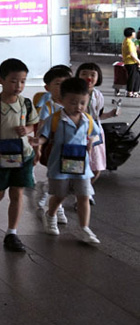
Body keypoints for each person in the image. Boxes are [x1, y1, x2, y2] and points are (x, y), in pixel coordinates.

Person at [0, 58, 39, 252]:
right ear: (1, 80)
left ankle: (12, 233)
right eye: (13, 80)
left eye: (22, 81)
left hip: (22, 156)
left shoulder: (26, 103)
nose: (18, 85)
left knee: (17, 193)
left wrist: (27, 131)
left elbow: (34, 124)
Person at [31, 77, 101, 244]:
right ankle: (51, 214)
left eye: (82, 103)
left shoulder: (88, 120)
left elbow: (94, 134)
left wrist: (91, 141)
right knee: (60, 194)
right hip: (59, 165)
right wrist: (38, 142)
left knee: (84, 195)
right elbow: (44, 136)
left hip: (81, 166)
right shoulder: (54, 119)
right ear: (62, 101)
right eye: (73, 102)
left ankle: (85, 228)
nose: (78, 107)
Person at [34, 65, 72, 211]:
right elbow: (42, 128)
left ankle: (44, 188)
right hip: (53, 146)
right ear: (47, 87)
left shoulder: (73, 104)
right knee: (58, 176)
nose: (62, 87)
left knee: (66, 178)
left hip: (70, 146)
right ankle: (57, 209)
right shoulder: (48, 106)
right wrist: (38, 149)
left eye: (65, 83)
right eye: (57, 83)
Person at [77, 62, 119, 188]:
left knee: (97, 167)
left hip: (95, 133)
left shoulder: (98, 95)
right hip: (78, 133)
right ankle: (79, 193)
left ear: (98, 77)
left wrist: (111, 114)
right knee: (77, 165)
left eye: (92, 74)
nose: (88, 77)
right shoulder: (73, 94)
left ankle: (85, 191)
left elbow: (98, 116)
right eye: (84, 74)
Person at [122, 27, 140, 97]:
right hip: (131, 62)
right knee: (132, 77)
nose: (135, 33)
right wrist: (138, 61)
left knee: (136, 76)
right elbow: (131, 54)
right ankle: (130, 92)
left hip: (129, 62)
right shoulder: (129, 42)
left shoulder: (126, 41)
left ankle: (135, 92)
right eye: (134, 32)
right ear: (131, 33)